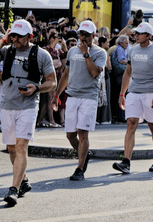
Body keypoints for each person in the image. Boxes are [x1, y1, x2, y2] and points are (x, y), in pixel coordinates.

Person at [2, 20, 57, 206]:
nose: (15, 39)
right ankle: (23, 180)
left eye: (19, 36)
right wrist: (3, 39)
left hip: (27, 106)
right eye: (13, 36)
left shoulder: (42, 55)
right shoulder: (6, 50)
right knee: (11, 148)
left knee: (20, 147)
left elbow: (52, 82)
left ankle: (13, 189)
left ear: (30, 37)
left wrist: (37, 88)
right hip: (7, 105)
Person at [51, 20, 107, 180]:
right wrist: (56, 95)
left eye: (86, 35)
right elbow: (66, 74)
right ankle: (85, 153)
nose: (83, 37)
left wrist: (86, 53)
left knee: (83, 133)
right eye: (81, 34)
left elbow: (95, 73)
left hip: (88, 97)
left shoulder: (100, 53)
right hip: (72, 96)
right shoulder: (72, 52)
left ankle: (80, 168)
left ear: (93, 36)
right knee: (70, 135)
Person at [112, 22, 153, 174]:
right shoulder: (133, 50)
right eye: (136, 33)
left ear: (149, 36)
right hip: (134, 92)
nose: (136, 35)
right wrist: (122, 93)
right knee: (131, 123)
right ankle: (126, 162)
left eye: (139, 33)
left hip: (152, 92)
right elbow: (128, 72)